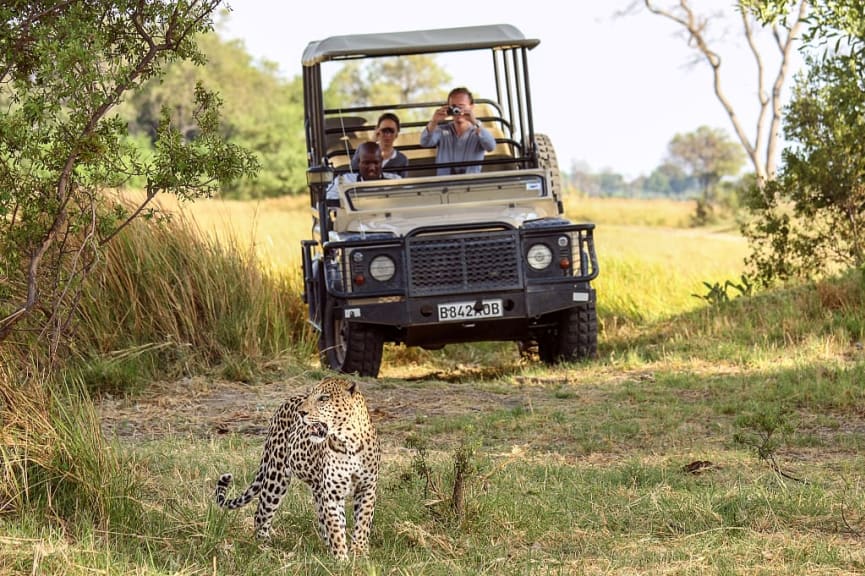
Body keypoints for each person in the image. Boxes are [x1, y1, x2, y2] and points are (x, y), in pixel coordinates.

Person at [420, 87, 496, 175]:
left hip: (470, 183)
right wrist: (434, 121)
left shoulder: (478, 131)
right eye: (454, 107)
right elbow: (424, 142)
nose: (457, 111)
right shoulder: (442, 130)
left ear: (472, 107)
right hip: (445, 184)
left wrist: (474, 122)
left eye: (461, 106)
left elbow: (491, 146)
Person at [327, 141, 399, 199]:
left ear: (381, 161)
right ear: (359, 162)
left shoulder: (395, 181)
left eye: (376, 163)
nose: (372, 168)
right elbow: (327, 200)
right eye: (366, 163)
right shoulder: (344, 181)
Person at [351, 112, 408, 177]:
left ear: (396, 134)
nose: (387, 135)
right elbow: (353, 170)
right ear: (377, 131)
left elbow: (402, 183)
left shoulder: (401, 159)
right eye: (384, 130)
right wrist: (372, 142)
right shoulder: (363, 150)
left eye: (391, 131)